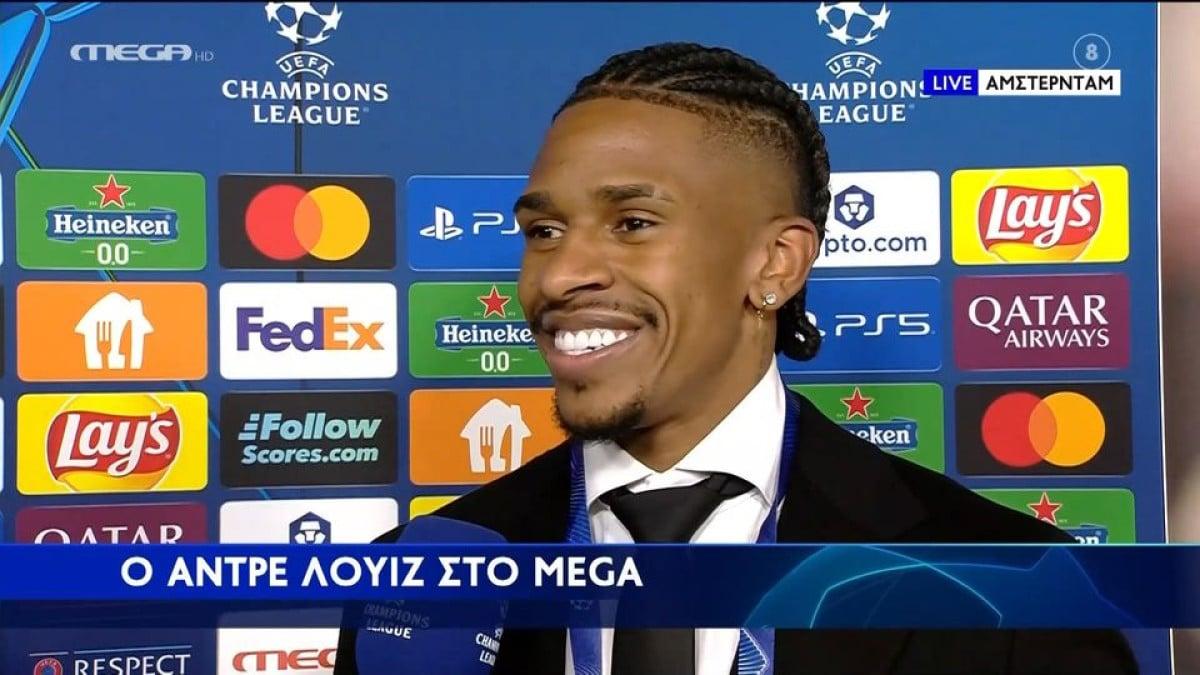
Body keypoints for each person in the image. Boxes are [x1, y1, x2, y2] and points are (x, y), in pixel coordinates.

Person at [335, 42, 1137, 674]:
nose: (560, 274)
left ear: (775, 265)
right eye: (543, 231)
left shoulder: (1012, 585)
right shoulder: (417, 583)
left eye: (633, 223)